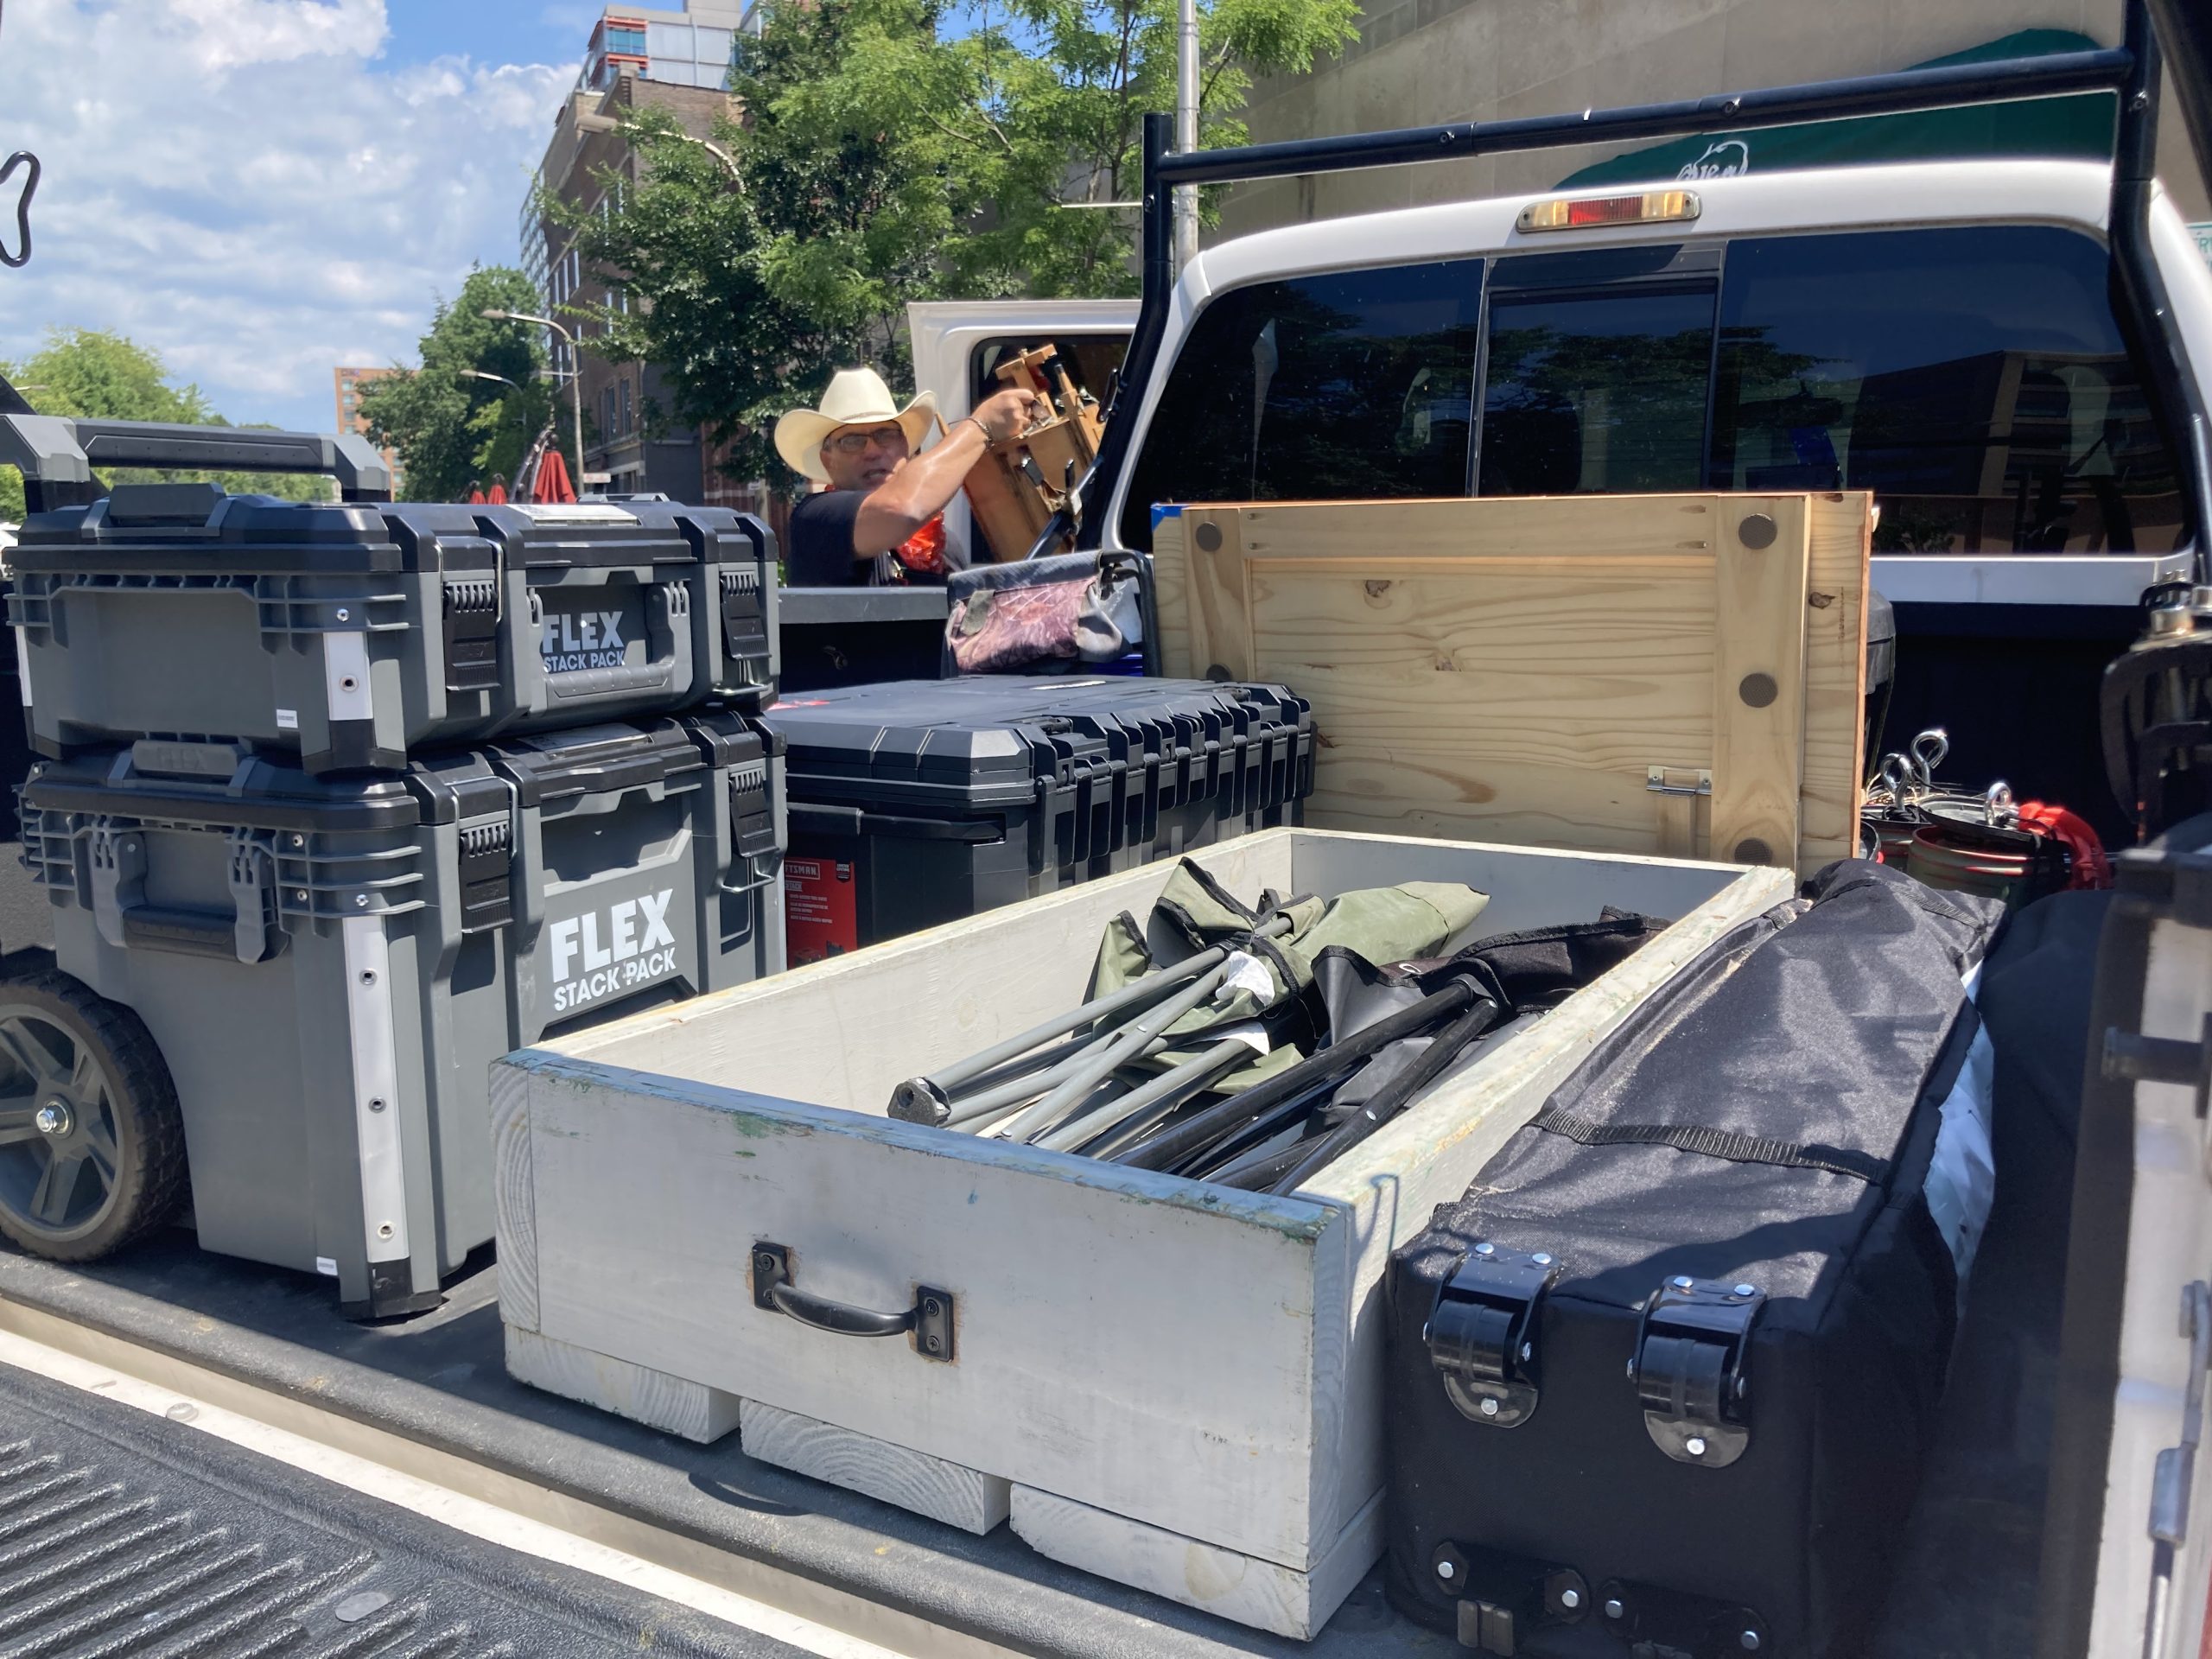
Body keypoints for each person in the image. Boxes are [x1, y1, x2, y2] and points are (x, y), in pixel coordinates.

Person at [773, 366, 1040, 587]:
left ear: (907, 447)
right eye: (853, 441)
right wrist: (982, 426)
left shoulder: (946, 545)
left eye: (886, 435)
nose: (873, 451)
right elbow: (901, 509)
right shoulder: (816, 518)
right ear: (827, 460)